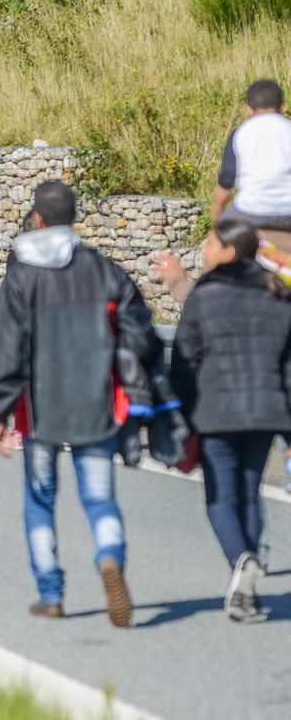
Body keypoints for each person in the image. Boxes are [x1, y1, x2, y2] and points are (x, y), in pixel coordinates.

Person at [0, 181, 158, 627]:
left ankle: (51, 593)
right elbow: (142, 334)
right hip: (96, 403)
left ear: (37, 219)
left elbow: (7, 348)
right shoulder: (104, 271)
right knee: (100, 498)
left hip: (39, 409)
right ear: (73, 217)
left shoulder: (20, 275)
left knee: (39, 499)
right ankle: (109, 557)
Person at [169, 219, 291, 622]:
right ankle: (246, 592)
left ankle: (244, 560)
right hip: (266, 411)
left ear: (230, 250)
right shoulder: (278, 292)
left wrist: (181, 415)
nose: (203, 251)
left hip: (217, 410)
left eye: (210, 244)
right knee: (249, 490)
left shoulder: (206, 294)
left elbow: (185, 360)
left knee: (221, 497)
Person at [211, 79, 291, 230]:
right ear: (283, 107)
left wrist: (217, 210)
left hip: (251, 211)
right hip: (288, 211)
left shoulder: (240, 133)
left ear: (248, 109)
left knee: (223, 238)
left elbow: (227, 178)